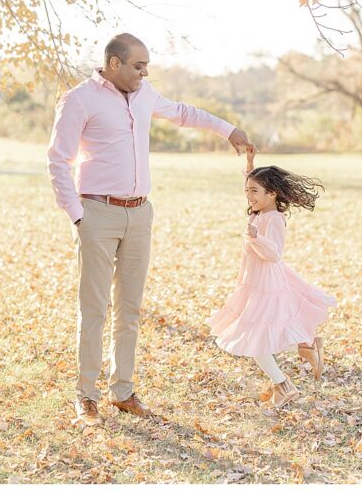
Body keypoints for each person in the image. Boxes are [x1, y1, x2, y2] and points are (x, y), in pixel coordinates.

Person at [47, 33, 255, 427]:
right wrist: (78, 216)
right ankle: (86, 396)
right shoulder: (79, 99)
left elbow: (183, 112)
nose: (144, 73)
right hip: (96, 214)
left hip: (140, 214)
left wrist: (228, 130)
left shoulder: (144, 94)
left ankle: (122, 391)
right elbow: (58, 160)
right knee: (93, 310)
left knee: (130, 310)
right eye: (138, 66)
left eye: (147, 67)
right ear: (113, 64)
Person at [209, 147, 336, 408]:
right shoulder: (259, 211)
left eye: (254, 192)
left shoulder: (273, 219)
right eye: (247, 191)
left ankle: (284, 384)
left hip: (265, 282)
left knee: (255, 338)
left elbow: (275, 253)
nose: (248, 196)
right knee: (262, 334)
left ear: (272, 194)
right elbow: (252, 183)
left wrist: (256, 238)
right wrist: (250, 163)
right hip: (253, 281)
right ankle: (307, 346)